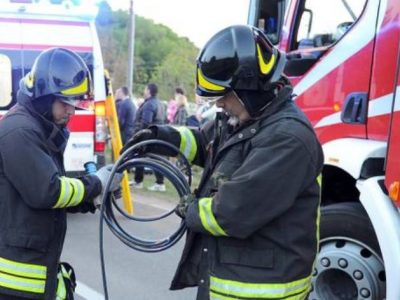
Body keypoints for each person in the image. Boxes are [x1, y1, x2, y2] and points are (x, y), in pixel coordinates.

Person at [122, 25, 323, 299]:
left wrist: (189, 209)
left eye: (222, 95)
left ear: (250, 88)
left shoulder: (288, 138)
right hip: (230, 279)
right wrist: (159, 137)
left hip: (261, 290)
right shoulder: (244, 118)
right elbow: (205, 146)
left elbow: (232, 212)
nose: (218, 104)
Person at [0, 48, 122, 300]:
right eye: (65, 103)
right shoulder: (19, 131)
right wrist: (96, 184)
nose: (72, 112)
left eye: (75, 104)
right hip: (15, 282)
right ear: (44, 98)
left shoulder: (39, 129)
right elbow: (47, 191)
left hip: (31, 273)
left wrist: (88, 199)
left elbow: (51, 193)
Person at [132, 83, 166, 192]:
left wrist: (140, 135)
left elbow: (146, 121)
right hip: (158, 134)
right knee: (154, 158)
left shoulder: (149, 104)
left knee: (142, 157)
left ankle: (155, 183)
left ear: (149, 91)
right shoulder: (160, 103)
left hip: (148, 135)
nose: (144, 91)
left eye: (145, 89)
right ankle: (140, 181)